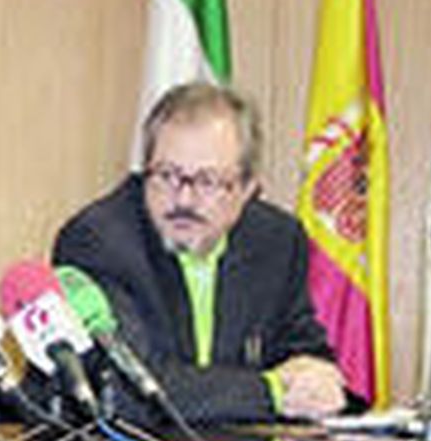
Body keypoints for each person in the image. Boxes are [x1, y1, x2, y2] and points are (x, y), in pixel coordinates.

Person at [52, 81, 346, 423]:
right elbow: (132, 388)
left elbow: (302, 349)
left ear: (248, 188)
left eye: (207, 181)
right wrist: (273, 391)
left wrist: (314, 373)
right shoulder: (98, 241)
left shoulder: (277, 241)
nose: (184, 200)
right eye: (167, 175)